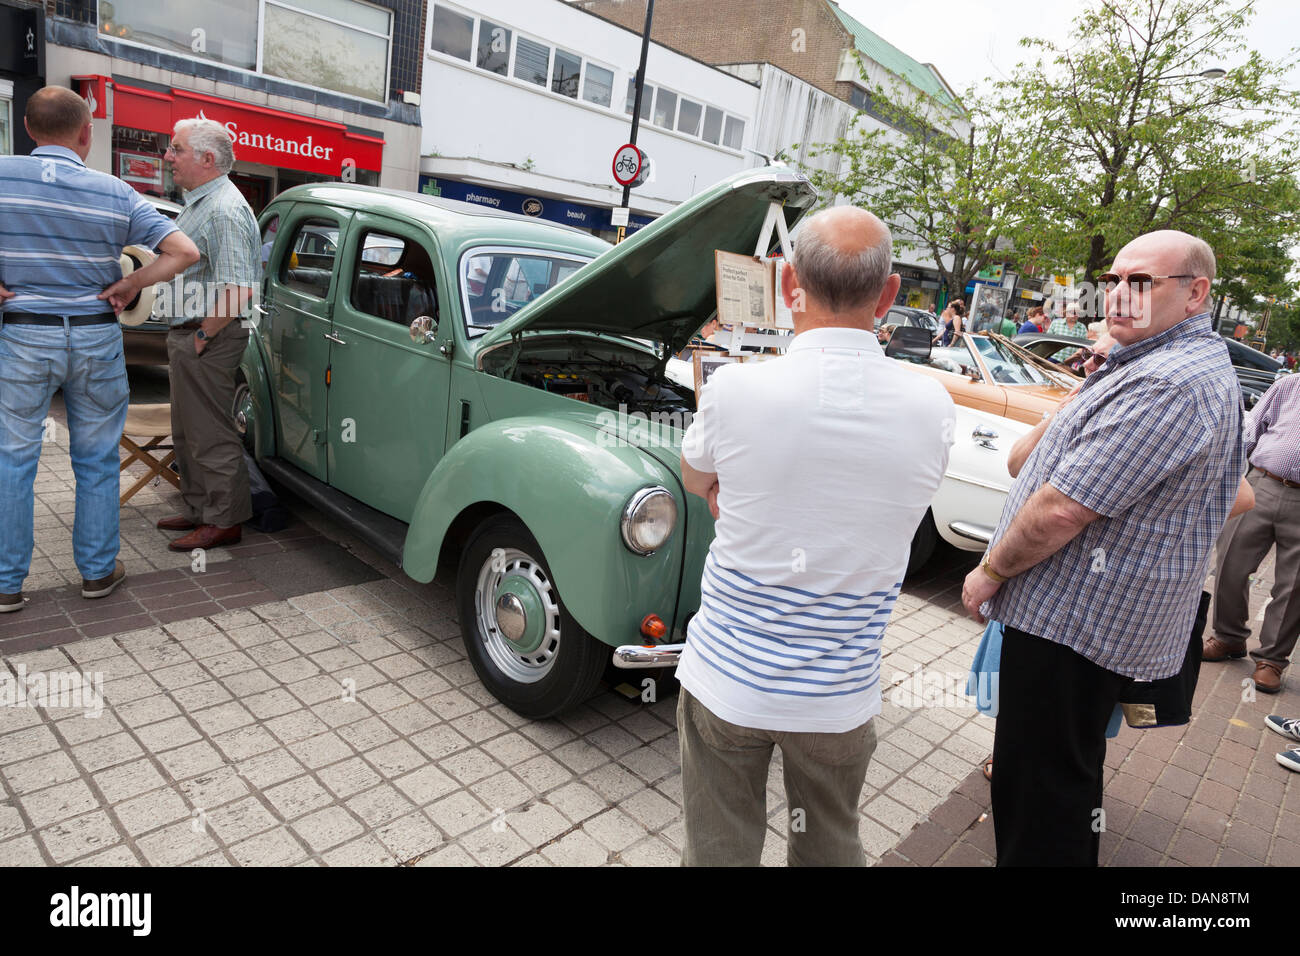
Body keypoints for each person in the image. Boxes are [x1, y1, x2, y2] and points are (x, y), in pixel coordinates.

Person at [676, 206, 954, 866]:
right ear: (889, 295)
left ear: (788, 284)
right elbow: (892, 503)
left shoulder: (736, 388)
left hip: (727, 682)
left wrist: (741, 497)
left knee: (718, 850)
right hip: (839, 695)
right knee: (831, 845)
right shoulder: (932, 405)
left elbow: (695, 479)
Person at [961, 230, 1242, 867]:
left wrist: (989, 570)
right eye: (1113, 280)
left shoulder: (1169, 382)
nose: (1117, 295)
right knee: (1063, 775)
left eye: (1140, 282)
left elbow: (1064, 507)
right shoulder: (1148, 364)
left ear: (1196, 293)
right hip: (1083, 619)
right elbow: (1028, 461)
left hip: (1074, 624)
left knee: (1042, 791)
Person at [0, 86, 198, 613]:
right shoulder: (114, 191)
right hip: (94, 335)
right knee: (96, 457)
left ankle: (6, 584)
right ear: (87, 133)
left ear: (26, 127)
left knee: (14, 458)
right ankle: (96, 572)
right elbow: (184, 250)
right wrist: (131, 285)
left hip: (23, 333)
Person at [156, 118, 262, 553]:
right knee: (187, 431)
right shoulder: (203, 201)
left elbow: (240, 288)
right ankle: (201, 509)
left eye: (176, 149)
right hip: (194, 335)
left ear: (207, 158)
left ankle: (223, 520)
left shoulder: (224, 208)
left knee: (209, 434)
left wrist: (202, 333)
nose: (168, 156)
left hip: (208, 337)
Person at [1203, 370, 1300, 693]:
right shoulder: (1289, 385)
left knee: (1293, 586)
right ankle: (1228, 638)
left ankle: (1271, 659)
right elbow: (1250, 428)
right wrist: (1234, 474)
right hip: (1262, 482)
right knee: (1231, 565)